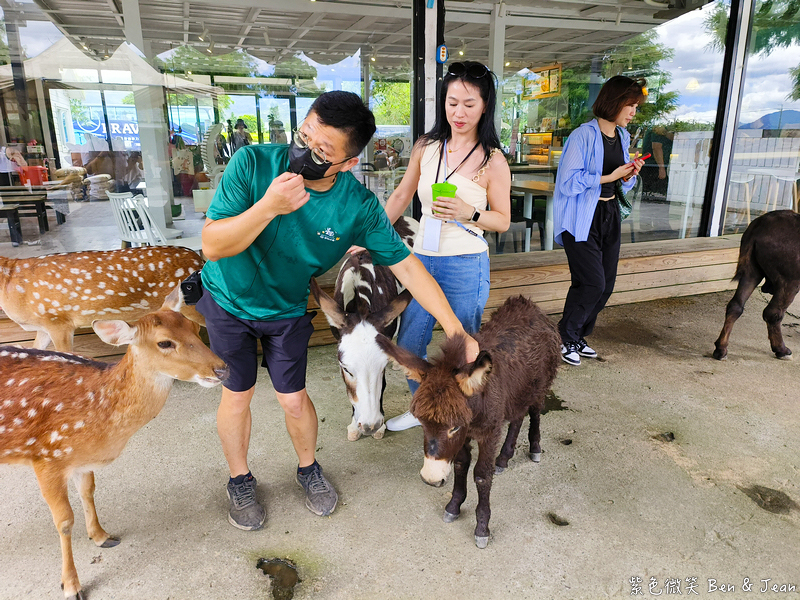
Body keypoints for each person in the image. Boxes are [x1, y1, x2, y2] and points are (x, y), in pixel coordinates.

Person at [199, 91, 480, 531]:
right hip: (227, 300)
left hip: (286, 308)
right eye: (304, 137)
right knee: (237, 395)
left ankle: (308, 469)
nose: (305, 152)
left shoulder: (358, 206)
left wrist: (456, 329)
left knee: (293, 399)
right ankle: (240, 479)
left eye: (322, 151)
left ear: (348, 162)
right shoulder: (252, 163)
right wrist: (268, 206)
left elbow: (408, 266)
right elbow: (213, 245)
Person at [378, 61, 511, 431]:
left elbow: (503, 220)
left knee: (463, 350)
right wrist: (370, 236)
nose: (459, 113)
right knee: (409, 344)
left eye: (469, 104)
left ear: (485, 105)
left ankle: (459, 415)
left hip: (466, 263)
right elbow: (401, 195)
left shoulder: (493, 160)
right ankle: (422, 407)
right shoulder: (427, 146)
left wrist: (471, 212)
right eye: (452, 103)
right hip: (421, 260)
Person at [553, 75, 647, 367]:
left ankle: (577, 335)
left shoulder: (623, 137)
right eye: (630, 105)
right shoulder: (582, 136)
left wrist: (629, 175)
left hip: (609, 214)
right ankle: (565, 337)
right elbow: (568, 182)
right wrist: (609, 176)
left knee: (605, 284)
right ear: (615, 102)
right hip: (581, 218)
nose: (633, 112)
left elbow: (622, 184)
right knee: (592, 282)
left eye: (636, 107)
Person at [639, 123, 675, 232]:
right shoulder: (658, 130)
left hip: (651, 167)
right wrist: (661, 168)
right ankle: (659, 225)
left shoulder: (659, 130)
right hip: (653, 168)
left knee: (649, 196)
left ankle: (647, 225)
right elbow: (656, 148)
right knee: (657, 196)